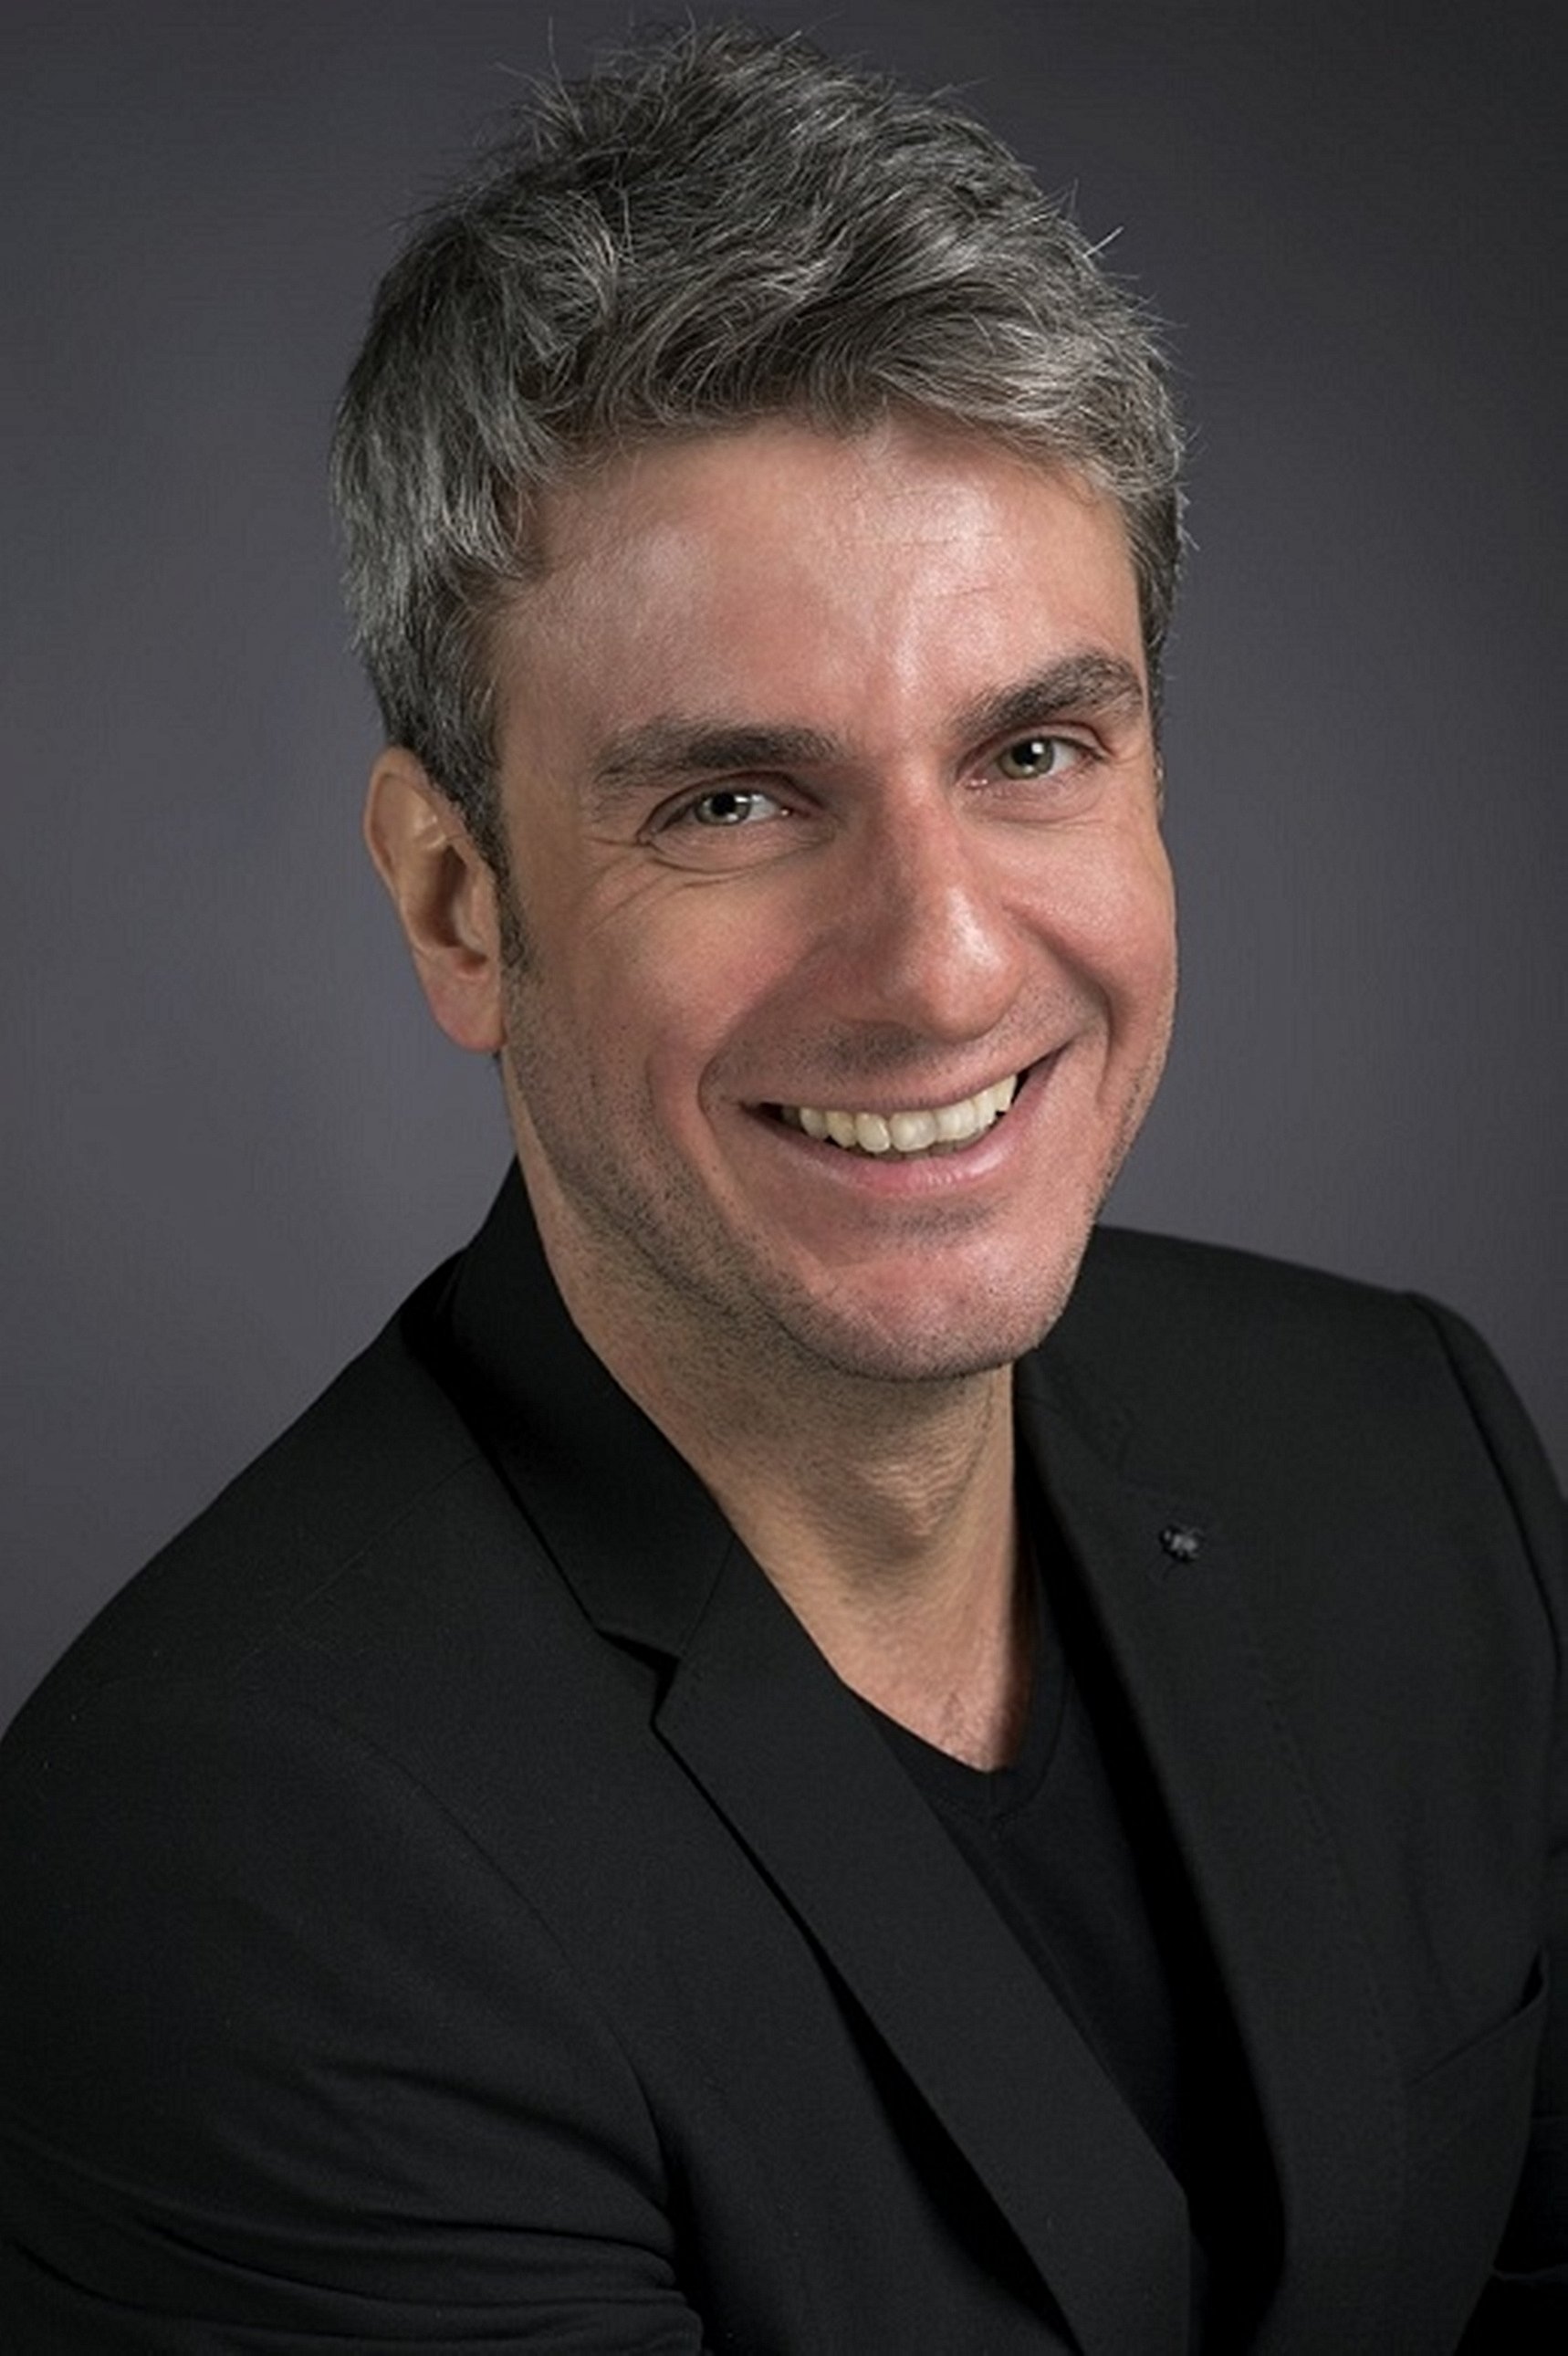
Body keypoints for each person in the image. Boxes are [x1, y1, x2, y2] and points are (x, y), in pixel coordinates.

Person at [0, 21, 1562, 2351]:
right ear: (455, 901)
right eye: (733, 801)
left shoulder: (1407, 1455)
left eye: (1033, 749)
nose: (941, 967)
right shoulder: (234, 1867)